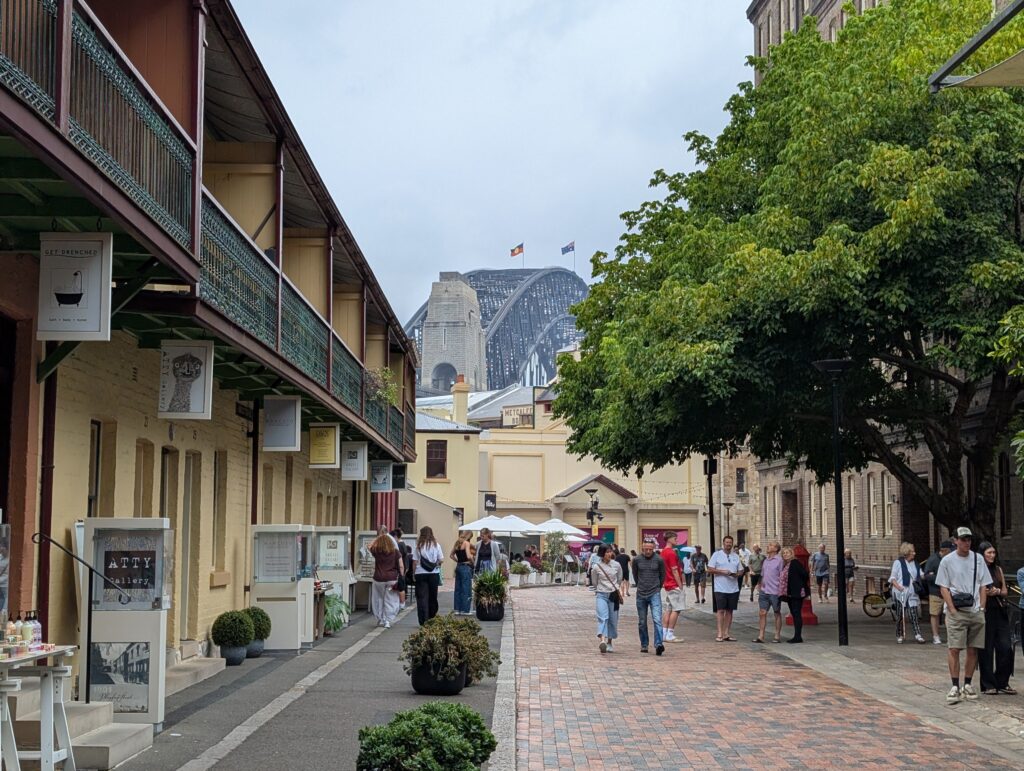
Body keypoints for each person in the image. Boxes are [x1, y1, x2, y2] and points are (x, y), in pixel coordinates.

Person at [936, 527, 993, 704]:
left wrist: (982, 607)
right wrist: (951, 609)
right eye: (963, 539)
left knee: (973, 648)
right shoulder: (947, 561)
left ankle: (967, 683)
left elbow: (984, 584)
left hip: (975, 610)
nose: (966, 542)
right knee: (954, 647)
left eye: (969, 539)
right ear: (955, 541)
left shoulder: (978, 559)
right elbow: (943, 586)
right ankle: (955, 684)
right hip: (957, 611)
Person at [977, 541, 1015, 695]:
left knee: (1006, 647)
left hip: (1000, 611)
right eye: (989, 553)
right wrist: (986, 593)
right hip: (986, 611)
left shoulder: (998, 569)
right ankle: (988, 683)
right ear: (982, 554)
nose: (992, 556)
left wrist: (998, 591)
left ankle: (1002, 681)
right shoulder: (979, 570)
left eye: (993, 553)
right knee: (986, 648)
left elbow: (1005, 591)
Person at [632, 540, 666, 655]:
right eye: (645, 549)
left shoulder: (659, 560)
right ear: (642, 548)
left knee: (657, 619)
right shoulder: (636, 560)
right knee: (642, 621)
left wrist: (657, 587)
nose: (648, 551)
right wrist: (640, 585)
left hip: (654, 592)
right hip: (641, 593)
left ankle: (659, 644)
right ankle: (644, 644)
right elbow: (635, 575)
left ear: (654, 548)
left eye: (650, 549)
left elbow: (662, 575)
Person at [889, 542, 926, 644]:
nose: (914, 553)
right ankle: (899, 634)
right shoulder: (898, 563)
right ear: (907, 552)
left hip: (912, 591)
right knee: (900, 614)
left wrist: (927, 575)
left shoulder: (916, 564)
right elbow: (893, 578)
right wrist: (898, 587)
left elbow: (921, 575)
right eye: (912, 551)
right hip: (900, 591)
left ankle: (918, 634)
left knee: (913, 613)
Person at [708, 536, 743, 642]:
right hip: (720, 588)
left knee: (730, 611)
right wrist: (722, 572)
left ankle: (726, 633)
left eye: (730, 542)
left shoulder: (736, 556)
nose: (728, 544)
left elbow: (741, 570)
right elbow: (710, 569)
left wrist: (737, 574)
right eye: (727, 542)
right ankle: (719, 633)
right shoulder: (717, 555)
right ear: (723, 543)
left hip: (733, 588)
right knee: (720, 610)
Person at [590, 544, 622, 653]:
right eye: (606, 552)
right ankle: (602, 640)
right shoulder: (596, 567)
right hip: (601, 594)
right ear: (601, 554)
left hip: (613, 595)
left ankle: (610, 642)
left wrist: (614, 588)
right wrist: (600, 588)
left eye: (610, 552)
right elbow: (594, 582)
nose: (609, 554)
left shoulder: (616, 565)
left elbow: (619, 579)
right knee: (603, 617)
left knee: (613, 619)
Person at [369, 528, 401, 628]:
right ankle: (388, 620)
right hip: (391, 578)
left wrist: (378, 538)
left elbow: (369, 546)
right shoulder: (395, 552)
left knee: (379, 598)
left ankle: (380, 618)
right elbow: (401, 565)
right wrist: (401, 575)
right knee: (390, 599)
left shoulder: (376, 551)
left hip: (378, 579)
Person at [923, 540, 953, 645]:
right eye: (950, 551)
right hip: (935, 591)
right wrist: (939, 577)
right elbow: (926, 575)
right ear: (945, 551)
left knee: (949, 614)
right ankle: (935, 636)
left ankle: (951, 636)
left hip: (949, 591)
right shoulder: (933, 560)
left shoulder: (951, 560)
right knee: (935, 613)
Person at [412, 526, 444, 625]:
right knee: (432, 596)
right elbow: (441, 559)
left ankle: (423, 620)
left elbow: (415, 561)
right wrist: (436, 564)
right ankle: (432, 618)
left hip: (420, 573)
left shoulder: (418, 546)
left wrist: (413, 573)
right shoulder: (436, 545)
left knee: (422, 597)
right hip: (433, 573)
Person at [754, 541, 784, 644]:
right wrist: (760, 585)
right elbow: (762, 574)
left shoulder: (780, 560)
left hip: (775, 591)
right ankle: (761, 635)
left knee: (776, 612)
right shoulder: (765, 560)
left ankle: (777, 635)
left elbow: (782, 576)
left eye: (771, 545)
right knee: (762, 613)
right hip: (764, 591)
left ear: (776, 549)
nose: (768, 546)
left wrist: (781, 590)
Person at [660, 532, 686, 643]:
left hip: (667, 584)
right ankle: (670, 633)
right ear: (669, 539)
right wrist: (680, 585)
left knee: (668, 609)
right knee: (677, 609)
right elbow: (675, 570)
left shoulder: (663, 553)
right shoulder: (671, 553)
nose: (677, 540)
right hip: (673, 584)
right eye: (675, 538)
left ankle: (664, 633)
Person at [781, 546, 809, 643]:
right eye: (784, 553)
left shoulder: (795, 563)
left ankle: (798, 636)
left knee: (796, 614)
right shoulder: (786, 564)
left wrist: (799, 585)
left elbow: (805, 574)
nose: (785, 554)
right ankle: (796, 635)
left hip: (796, 593)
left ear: (792, 554)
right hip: (789, 594)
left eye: (787, 553)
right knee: (794, 613)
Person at [450, 530, 475, 615]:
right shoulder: (466, 543)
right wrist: (472, 561)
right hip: (465, 567)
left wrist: (458, 561)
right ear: (469, 536)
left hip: (458, 567)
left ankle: (457, 609)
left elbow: (451, 555)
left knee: (458, 589)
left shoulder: (457, 543)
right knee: (466, 588)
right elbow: (468, 556)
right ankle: (465, 610)